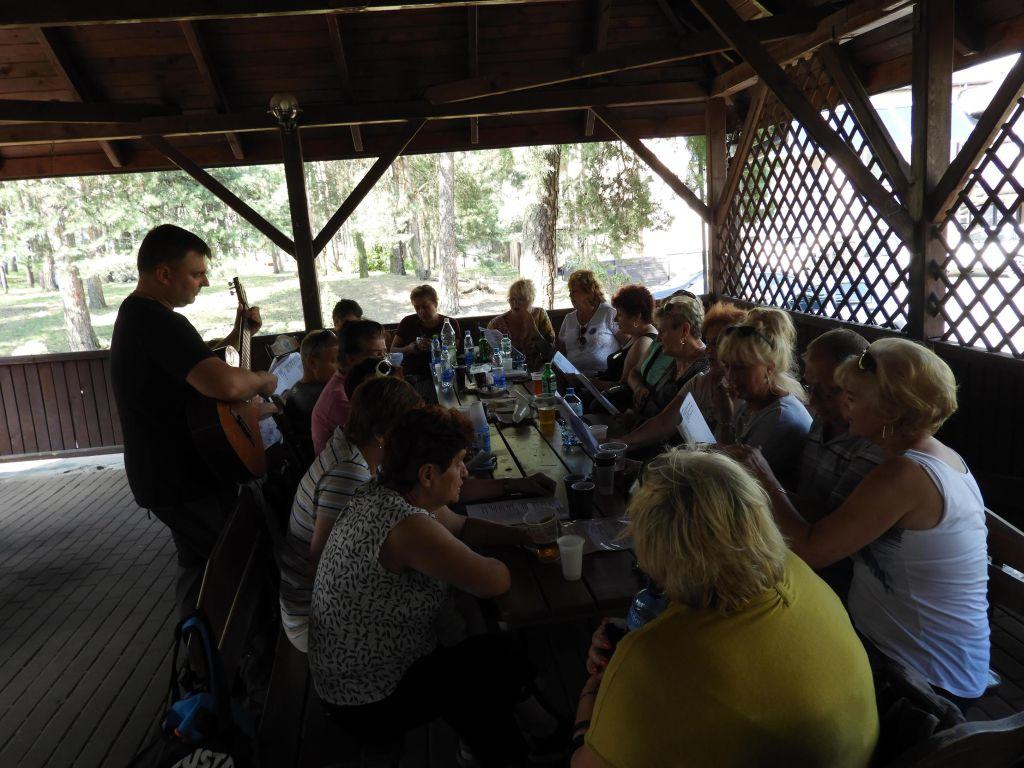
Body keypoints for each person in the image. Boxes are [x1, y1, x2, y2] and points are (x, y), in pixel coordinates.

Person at [570, 450, 878, 768]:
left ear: (653, 548)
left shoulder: (650, 657)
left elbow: (584, 764)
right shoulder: (794, 568)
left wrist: (593, 694)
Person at [731, 338, 990, 705]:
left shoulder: (905, 474)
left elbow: (811, 549)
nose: (844, 405)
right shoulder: (934, 457)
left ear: (891, 410)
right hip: (898, 650)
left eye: (853, 397)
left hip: (922, 680)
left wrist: (763, 476)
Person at [309, 407, 551, 765]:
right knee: (479, 673)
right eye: (458, 463)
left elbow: (462, 527)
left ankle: (539, 732)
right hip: (365, 698)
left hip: (359, 676)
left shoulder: (389, 491)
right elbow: (495, 581)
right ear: (427, 474)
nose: (465, 472)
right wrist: (495, 559)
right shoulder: (407, 526)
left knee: (488, 656)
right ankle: (518, 749)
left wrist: (523, 535)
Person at [110, 224, 277, 618]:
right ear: (164, 274)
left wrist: (239, 334)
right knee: (238, 567)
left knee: (200, 567)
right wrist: (262, 380)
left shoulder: (142, 317)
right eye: (197, 273)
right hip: (183, 478)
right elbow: (225, 383)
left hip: (168, 476)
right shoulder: (156, 320)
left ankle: (197, 646)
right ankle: (232, 650)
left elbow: (196, 365)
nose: (204, 281)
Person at [280, 376, 423, 652]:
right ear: (382, 435)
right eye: (409, 430)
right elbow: (324, 566)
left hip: (318, 604)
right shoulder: (348, 473)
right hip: (313, 620)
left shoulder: (352, 446)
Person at [619, 301, 747, 450]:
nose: (708, 350)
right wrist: (621, 443)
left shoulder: (747, 394)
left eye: (717, 343)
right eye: (708, 343)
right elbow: (663, 423)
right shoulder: (701, 381)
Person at [716, 307, 812, 490]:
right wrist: (725, 417)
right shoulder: (751, 402)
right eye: (727, 366)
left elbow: (733, 481)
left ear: (769, 368)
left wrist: (725, 420)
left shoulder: (779, 419)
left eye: (740, 368)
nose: (730, 376)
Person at [796, 329, 885, 518]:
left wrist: (766, 482)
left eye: (828, 392)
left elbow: (828, 523)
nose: (812, 400)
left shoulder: (873, 445)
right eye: (809, 386)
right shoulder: (823, 419)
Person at [310, 320, 387, 454]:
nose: (384, 360)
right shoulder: (340, 398)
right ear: (351, 359)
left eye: (384, 353)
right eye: (377, 354)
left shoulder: (358, 383)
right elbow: (376, 439)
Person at [391, 284, 461, 401]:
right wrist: (410, 348)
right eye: (417, 308)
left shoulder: (450, 324)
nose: (421, 312)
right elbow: (392, 351)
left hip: (443, 373)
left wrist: (435, 349)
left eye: (425, 306)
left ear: (435, 303)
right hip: (412, 375)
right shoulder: (408, 322)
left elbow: (453, 352)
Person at [556, 270, 626, 377]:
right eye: (570, 291)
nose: (570, 295)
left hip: (604, 377)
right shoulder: (569, 319)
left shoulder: (608, 313)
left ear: (589, 291)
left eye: (574, 291)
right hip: (573, 379)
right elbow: (560, 353)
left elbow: (629, 345)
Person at [282, 329, 338, 457]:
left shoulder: (296, 389)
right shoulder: (321, 397)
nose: (340, 367)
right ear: (313, 363)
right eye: (334, 361)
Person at [592, 285, 657, 391]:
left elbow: (623, 387)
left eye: (620, 315)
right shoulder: (636, 335)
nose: (615, 319)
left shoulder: (643, 343)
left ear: (636, 317)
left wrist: (587, 382)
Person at [486, 278, 555, 370]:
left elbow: (551, 353)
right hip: (509, 372)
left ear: (532, 299)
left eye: (521, 299)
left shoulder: (540, 315)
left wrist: (534, 331)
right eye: (512, 299)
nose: (515, 303)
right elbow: (489, 356)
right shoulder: (496, 324)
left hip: (538, 372)